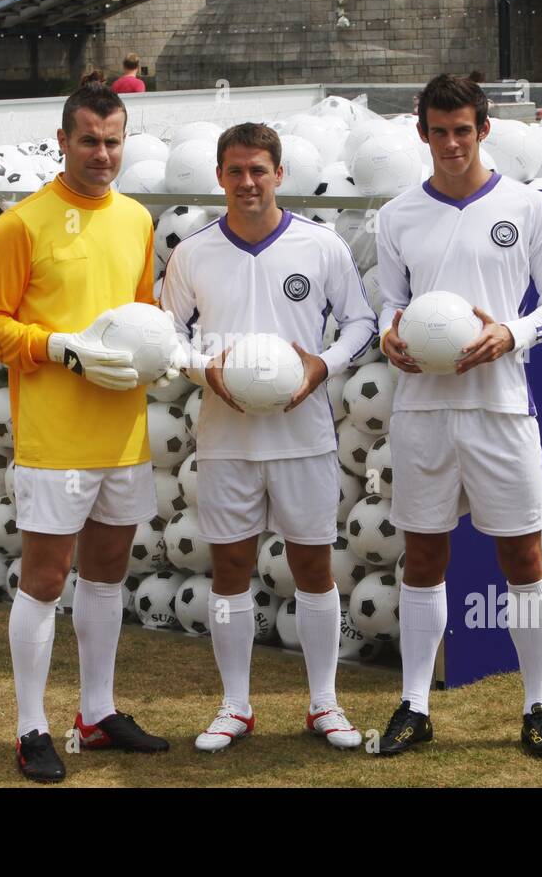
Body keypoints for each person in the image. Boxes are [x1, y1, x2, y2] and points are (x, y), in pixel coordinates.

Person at [0, 81, 179, 784]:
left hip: (124, 434)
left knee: (109, 573)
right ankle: (31, 728)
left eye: (114, 140)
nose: (103, 154)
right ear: (62, 141)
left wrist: (170, 354)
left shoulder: (138, 220)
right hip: (54, 436)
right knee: (46, 578)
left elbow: (144, 315)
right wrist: (59, 349)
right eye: (89, 140)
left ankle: (97, 711)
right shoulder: (21, 224)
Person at [371, 73, 542, 759]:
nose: (452, 143)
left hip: (500, 405)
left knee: (523, 554)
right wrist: (389, 336)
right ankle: (414, 705)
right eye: (439, 130)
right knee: (424, 555)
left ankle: (538, 706)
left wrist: (511, 334)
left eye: (464, 130)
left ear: (484, 129)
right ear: (421, 131)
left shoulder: (529, 207)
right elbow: (388, 303)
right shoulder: (398, 214)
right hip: (422, 410)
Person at [159, 123, 377, 753]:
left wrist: (321, 366)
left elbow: (360, 320)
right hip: (225, 439)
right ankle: (235, 706)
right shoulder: (193, 252)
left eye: (259, 170)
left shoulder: (321, 245)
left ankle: (323, 704)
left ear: (279, 174)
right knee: (229, 568)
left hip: (303, 436)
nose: (247, 183)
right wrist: (205, 371)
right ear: (220, 177)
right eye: (235, 171)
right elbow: (167, 334)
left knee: (312, 566)